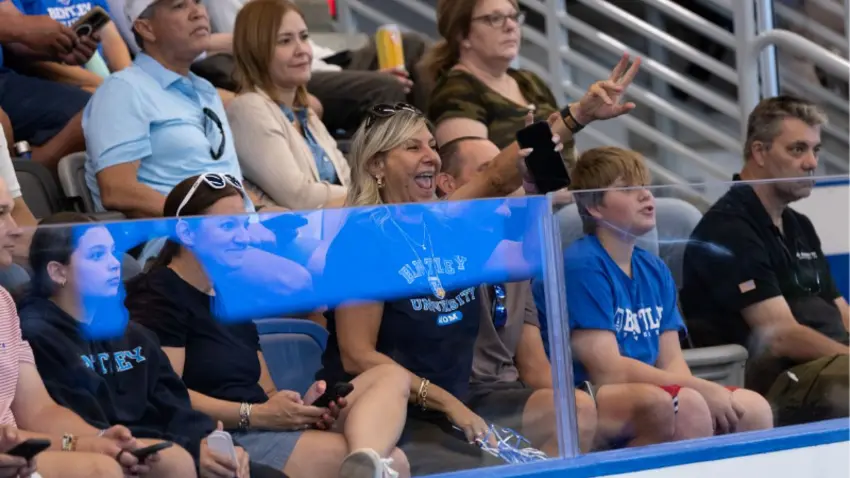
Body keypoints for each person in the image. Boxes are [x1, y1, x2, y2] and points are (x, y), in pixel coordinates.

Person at [125, 174, 411, 478]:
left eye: (243, 225)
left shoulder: (228, 291)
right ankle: (365, 463)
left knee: (390, 375)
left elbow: (265, 390)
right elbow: (169, 395)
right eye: (227, 226)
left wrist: (299, 406)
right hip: (223, 437)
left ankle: (364, 459)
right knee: (397, 462)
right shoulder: (160, 294)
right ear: (186, 232)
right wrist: (257, 415)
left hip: (261, 423)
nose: (242, 236)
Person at [439, 136, 682, 453]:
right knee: (582, 410)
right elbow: (607, 367)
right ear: (447, 184)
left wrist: (579, 398)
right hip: (463, 395)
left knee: (655, 404)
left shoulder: (516, 263)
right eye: (490, 173)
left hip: (514, 392)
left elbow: (535, 367)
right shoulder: (440, 253)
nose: (501, 184)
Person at [424, 0, 703, 274]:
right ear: (462, 34)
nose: (510, 26)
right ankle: (625, 314)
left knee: (681, 217)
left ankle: (668, 313)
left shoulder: (529, 81)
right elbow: (479, 181)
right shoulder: (456, 92)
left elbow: (567, 154)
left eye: (513, 16)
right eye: (494, 18)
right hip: (522, 216)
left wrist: (585, 187)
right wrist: (549, 192)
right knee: (625, 220)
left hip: (568, 200)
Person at [19, 211, 295, 478]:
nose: (115, 263)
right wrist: (191, 451)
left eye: (113, 251)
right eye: (97, 255)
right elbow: (95, 425)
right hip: (125, 457)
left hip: (171, 450)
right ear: (57, 272)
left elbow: (175, 403)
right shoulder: (39, 335)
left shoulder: (132, 333)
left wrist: (213, 443)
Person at [554, 146, 773, 440]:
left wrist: (694, 388)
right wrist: (697, 389)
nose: (646, 195)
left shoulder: (654, 268)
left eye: (645, 186)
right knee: (690, 403)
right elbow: (608, 371)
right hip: (596, 394)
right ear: (594, 207)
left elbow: (671, 360)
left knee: (753, 407)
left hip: (652, 387)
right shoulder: (582, 265)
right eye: (628, 188)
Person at [681, 95, 849, 424]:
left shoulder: (799, 225)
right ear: (759, 152)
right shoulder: (727, 229)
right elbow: (780, 336)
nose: (811, 162)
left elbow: (840, 310)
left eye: (815, 150)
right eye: (797, 149)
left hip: (829, 365)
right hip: (774, 383)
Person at [0, 175, 154, 478]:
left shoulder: (3, 303)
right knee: (101, 470)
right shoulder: (38, 324)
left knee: (157, 461)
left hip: (18, 457)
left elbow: (39, 411)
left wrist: (94, 441)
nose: (15, 228)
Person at [82, 0, 255, 217]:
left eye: (199, 2)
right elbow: (117, 190)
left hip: (235, 230)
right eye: (180, 6)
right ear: (146, 28)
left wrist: (264, 210)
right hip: (177, 239)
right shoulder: (123, 89)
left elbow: (225, 177)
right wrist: (202, 218)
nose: (198, 13)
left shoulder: (206, 90)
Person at [201, 0, 430, 135]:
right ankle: (394, 166)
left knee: (411, 44)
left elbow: (301, 41)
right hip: (300, 70)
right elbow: (258, 43)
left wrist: (339, 63)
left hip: (325, 60)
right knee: (385, 86)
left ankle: (428, 140)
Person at [227, 0, 350, 211]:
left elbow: (347, 179)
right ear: (257, 51)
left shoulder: (306, 114)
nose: (301, 49)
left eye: (304, 37)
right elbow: (300, 197)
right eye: (285, 41)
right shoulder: (247, 109)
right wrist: (372, 195)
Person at [0, 0, 96, 171]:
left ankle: (35, 170)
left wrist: (55, 50)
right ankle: (26, 181)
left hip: (5, 79)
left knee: (94, 112)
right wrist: (21, 26)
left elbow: (14, 43)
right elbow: (17, 27)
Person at [17, 0, 132, 91]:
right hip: (58, 83)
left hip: (101, 77)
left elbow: (111, 37)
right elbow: (34, 60)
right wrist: (106, 86)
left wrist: (130, 81)